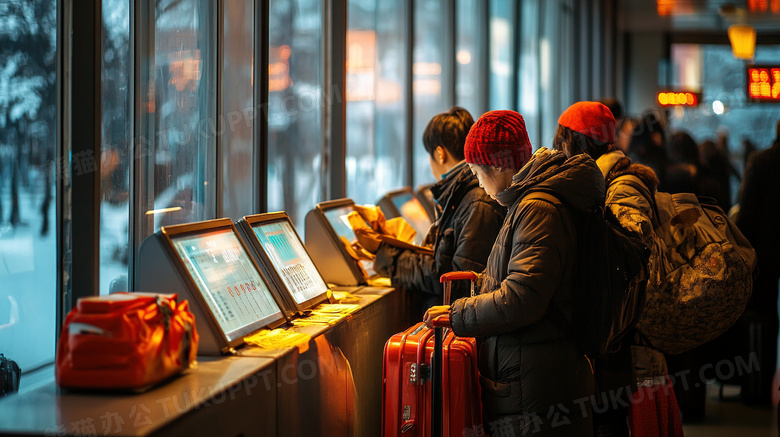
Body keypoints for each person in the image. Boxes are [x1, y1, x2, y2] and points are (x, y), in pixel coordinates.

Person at [424, 110, 599, 436]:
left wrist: (458, 313)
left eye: (477, 170)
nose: (476, 179)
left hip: (537, 387)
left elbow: (524, 297)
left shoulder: (538, 208)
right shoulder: (529, 202)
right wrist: (485, 282)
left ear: (501, 165)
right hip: (536, 374)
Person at [553, 101, 683, 436]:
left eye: (561, 142)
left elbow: (632, 260)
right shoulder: (603, 181)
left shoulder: (620, 186)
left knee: (612, 423)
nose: (558, 150)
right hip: (613, 338)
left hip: (621, 341)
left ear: (574, 143)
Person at [370, 107, 505, 317]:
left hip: (459, 325)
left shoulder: (475, 200)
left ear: (440, 153)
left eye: (430, 155)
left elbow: (458, 283)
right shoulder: (463, 195)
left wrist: (388, 258)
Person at [733, 119, 780, 405]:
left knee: (764, 321)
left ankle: (759, 388)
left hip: (768, 254)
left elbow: (746, 209)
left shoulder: (761, 161)